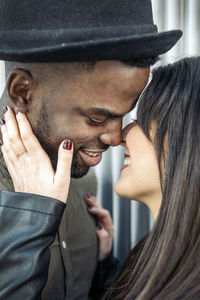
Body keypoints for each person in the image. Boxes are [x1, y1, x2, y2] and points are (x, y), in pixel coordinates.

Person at [0, 0, 182, 298]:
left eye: (127, 114)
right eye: (97, 118)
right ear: (22, 91)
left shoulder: (84, 178)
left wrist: (100, 270)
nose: (115, 137)